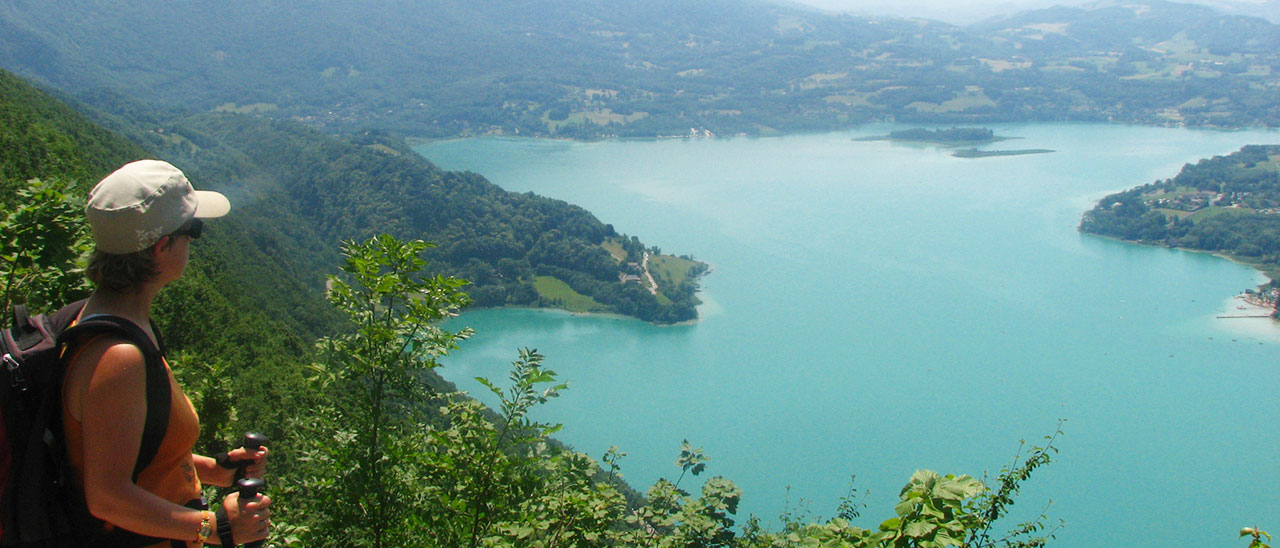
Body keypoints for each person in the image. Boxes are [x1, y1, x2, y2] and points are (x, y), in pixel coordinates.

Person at [60, 159, 271, 547]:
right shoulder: (117, 356)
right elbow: (106, 496)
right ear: (161, 247)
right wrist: (214, 527)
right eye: (193, 230)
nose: (193, 241)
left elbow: (133, 454)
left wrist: (218, 470)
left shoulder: (102, 321)